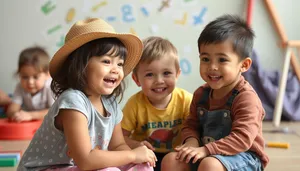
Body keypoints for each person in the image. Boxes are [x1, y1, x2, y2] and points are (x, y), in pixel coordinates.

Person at [17, 18, 156, 171]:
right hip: (46, 168)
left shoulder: (110, 104)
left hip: (78, 166)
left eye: (120, 64)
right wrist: (133, 155)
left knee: (143, 165)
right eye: (106, 61)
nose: (116, 69)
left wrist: (137, 159)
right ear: (81, 65)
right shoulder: (73, 101)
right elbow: (86, 160)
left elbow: (118, 145)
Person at [161, 14, 269, 171]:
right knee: (171, 160)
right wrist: (192, 142)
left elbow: (242, 138)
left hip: (244, 157)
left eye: (222, 60)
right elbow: (191, 124)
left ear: (244, 65)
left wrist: (206, 150)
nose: (212, 67)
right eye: (205, 59)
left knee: (210, 165)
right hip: (208, 154)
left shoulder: (246, 98)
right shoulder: (201, 94)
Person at [121, 36, 193, 171]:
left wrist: (189, 145)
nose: (159, 80)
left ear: (177, 74)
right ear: (137, 79)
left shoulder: (186, 100)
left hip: (176, 156)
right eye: (150, 74)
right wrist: (136, 145)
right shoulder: (135, 104)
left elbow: (197, 130)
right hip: (147, 156)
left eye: (166, 73)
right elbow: (119, 138)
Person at [7, 46, 54, 122]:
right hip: (31, 124)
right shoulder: (20, 87)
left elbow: (55, 111)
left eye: (35, 77)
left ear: (47, 75)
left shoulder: (50, 87)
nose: (30, 82)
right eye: (25, 77)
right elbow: (12, 108)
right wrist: (15, 114)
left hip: (49, 123)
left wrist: (31, 115)